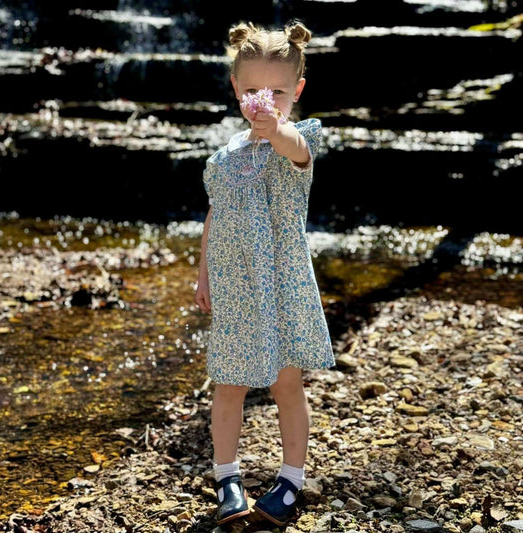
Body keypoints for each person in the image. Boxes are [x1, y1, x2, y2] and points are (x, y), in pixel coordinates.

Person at [193, 19, 336, 527]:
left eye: (277, 91)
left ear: (296, 91)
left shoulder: (294, 141)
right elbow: (215, 213)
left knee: (285, 383)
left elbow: (294, 148)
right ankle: (227, 477)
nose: (263, 100)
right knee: (228, 384)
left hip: (280, 288)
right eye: (252, 89)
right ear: (235, 88)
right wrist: (204, 273)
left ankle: (291, 479)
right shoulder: (224, 156)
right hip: (234, 287)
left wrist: (276, 126)